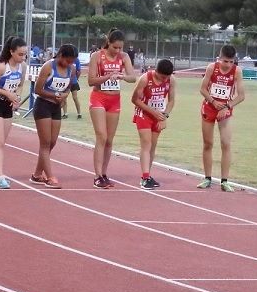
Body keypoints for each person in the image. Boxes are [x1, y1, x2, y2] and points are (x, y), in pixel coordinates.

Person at [88, 28, 136, 188]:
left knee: (109, 140)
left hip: (115, 100)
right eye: (115, 47)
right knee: (101, 136)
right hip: (99, 98)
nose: (117, 50)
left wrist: (121, 76)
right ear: (108, 43)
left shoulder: (124, 57)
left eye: (120, 48)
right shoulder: (97, 56)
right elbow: (91, 81)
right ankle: (97, 176)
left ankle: (104, 173)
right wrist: (108, 76)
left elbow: (132, 78)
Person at [197, 45, 246, 192]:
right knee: (208, 143)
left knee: (226, 143)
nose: (228, 65)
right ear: (219, 58)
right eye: (225, 61)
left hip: (225, 110)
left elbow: (241, 96)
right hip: (209, 108)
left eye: (231, 62)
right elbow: (203, 89)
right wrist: (213, 101)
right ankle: (207, 178)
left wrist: (226, 107)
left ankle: (224, 181)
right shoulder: (212, 68)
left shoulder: (237, 71)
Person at [30, 44, 77, 188]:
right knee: (45, 142)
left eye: (72, 61)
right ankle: (50, 177)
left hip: (56, 107)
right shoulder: (48, 67)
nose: (70, 64)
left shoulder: (72, 69)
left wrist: (64, 96)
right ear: (60, 55)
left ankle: (37, 174)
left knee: (52, 142)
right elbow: (38, 89)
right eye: (67, 61)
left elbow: (69, 87)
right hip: (43, 105)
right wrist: (55, 94)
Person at [0, 36, 28, 189]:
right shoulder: (2, 67)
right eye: (20, 54)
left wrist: (16, 97)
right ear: (11, 52)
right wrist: (7, 93)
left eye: (25, 55)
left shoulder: (23, 67)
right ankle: (0, 176)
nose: (23, 57)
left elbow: (21, 84)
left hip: (8, 106)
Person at [131, 58, 176, 190]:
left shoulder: (171, 80)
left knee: (152, 146)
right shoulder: (145, 79)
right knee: (146, 144)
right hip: (144, 113)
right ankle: (145, 178)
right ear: (156, 71)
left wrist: (164, 117)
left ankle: (147, 175)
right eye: (162, 77)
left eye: (166, 78)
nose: (164, 80)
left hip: (159, 116)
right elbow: (135, 99)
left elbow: (171, 101)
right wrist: (153, 112)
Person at [62, 46, 82, 119]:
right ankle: (65, 113)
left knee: (75, 97)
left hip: (73, 82)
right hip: (65, 81)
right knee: (64, 97)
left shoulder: (76, 60)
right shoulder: (64, 59)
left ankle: (79, 113)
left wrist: (76, 78)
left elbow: (79, 71)